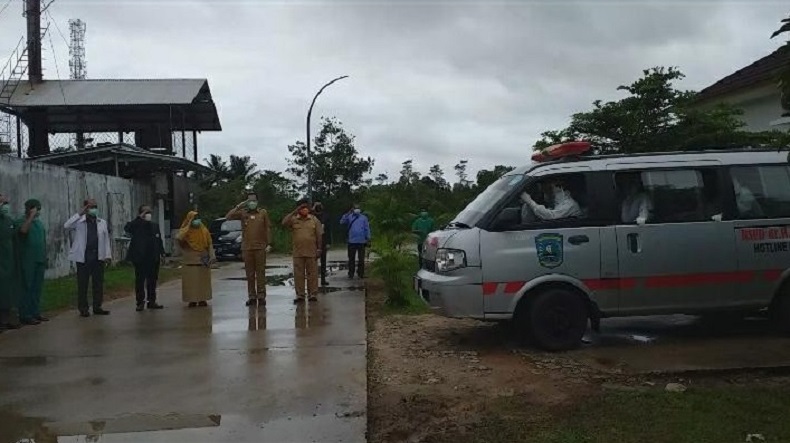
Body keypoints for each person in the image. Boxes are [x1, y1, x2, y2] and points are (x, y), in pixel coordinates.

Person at [64, 199, 113, 318]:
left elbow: (106, 240)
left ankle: (97, 307)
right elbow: (67, 225)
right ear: (86, 208)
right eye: (91, 207)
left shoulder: (102, 222)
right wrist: (80, 213)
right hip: (84, 256)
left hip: (98, 256)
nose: (93, 209)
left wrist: (107, 255)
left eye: (95, 206)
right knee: (83, 284)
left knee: (98, 283)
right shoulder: (79, 221)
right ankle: (83, 308)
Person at [226, 192, 272, 306]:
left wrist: (269, 243)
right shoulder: (243, 213)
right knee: (250, 274)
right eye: (249, 201)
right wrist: (240, 205)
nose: (252, 203)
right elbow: (228, 217)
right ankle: (252, 296)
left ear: (257, 201)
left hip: (260, 247)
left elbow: (267, 228)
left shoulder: (263, 213)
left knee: (260, 273)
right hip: (247, 248)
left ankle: (261, 296)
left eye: (254, 200)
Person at [125, 205, 165, 312]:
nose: (148, 214)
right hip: (140, 258)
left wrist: (162, 253)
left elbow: (159, 240)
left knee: (152, 280)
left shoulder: (154, 226)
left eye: (149, 212)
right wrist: (140, 217)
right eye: (146, 212)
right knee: (140, 280)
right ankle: (140, 302)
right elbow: (128, 228)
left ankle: (152, 301)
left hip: (153, 257)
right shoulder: (137, 225)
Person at [282, 200, 323, 303]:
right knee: (298, 275)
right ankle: (300, 295)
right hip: (298, 252)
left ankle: (312, 294)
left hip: (311, 252)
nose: (304, 209)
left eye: (306, 207)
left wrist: (319, 249)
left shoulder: (314, 219)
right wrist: (294, 212)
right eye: (302, 207)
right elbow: (284, 222)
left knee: (312, 274)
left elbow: (319, 235)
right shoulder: (294, 219)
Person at [16, 199, 48, 325]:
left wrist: (45, 257)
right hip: (27, 260)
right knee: (27, 287)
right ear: (29, 209)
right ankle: (25, 314)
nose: (38, 212)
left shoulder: (39, 223)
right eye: (36, 209)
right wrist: (30, 217)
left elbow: (42, 241)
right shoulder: (21, 221)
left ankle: (35, 312)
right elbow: (23, 231)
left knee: (37, 288)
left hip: (39, 259)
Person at [177, 211, 215, 307]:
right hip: (190, 260)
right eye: (194, 219)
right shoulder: (185, 231)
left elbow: (209, 243)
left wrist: (212, 255)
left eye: (197, 218)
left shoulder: (204, 230)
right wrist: (188, 225)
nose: (197, 220)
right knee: (191, 282)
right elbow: (179, 238)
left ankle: (203, 299)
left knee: (203, 281)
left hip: (203, 259)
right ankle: (192, 300)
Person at [0, 193, 20, 330]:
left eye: (6, 203)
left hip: (9, 261)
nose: (5, 206)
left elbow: (15, 236)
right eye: (2, 203)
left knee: (8, 292)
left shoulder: (8, 220)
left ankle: (7, 320)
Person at [339, 204, 371, 279]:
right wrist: (348, 213)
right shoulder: (349, 217)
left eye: (358, 208)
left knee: (361, 259)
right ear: (353, 209)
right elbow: (342, 221)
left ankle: (361, 273)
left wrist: (368, 238)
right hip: (352, 241)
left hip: (361, 241)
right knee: (351, 259)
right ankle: (351, 274)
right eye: (355, 208)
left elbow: (367, 228)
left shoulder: (364, 218)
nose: (357, 209)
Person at [312, 201, 332, 286]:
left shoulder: (325, 216)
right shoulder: (312, 216)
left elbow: (328, 230)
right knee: (312, 262)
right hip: (313, 241)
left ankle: (323, 279)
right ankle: (313, 281)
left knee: (323, 262)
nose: (318, 207)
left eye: (319, 206)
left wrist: (328, 242)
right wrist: (313, 208)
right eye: (317, 206)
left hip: (323, 240)